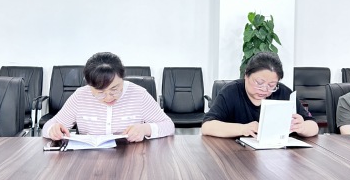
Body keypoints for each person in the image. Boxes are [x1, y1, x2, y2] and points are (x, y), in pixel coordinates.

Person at [42, 52, 174, 142]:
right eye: (100, 92)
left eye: (115, 89)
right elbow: (48, 126)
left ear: (122, 78)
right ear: (89, 85)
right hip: (89, 163)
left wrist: (146, 129)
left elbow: (169, 126)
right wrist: (53, 130)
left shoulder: (139, 95)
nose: (108, 97)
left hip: (130, 160)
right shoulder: (80, 96)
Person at [201, 52, 318, 138]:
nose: (264, 90)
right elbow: (207, 126)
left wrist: (302, 127)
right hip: (237, 154)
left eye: (272, 85)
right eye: (259, 83)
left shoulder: (284, 93)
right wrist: (243, 129)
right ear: (246, 75)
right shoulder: (231, 92)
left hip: (276, 157)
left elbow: (313, 126)